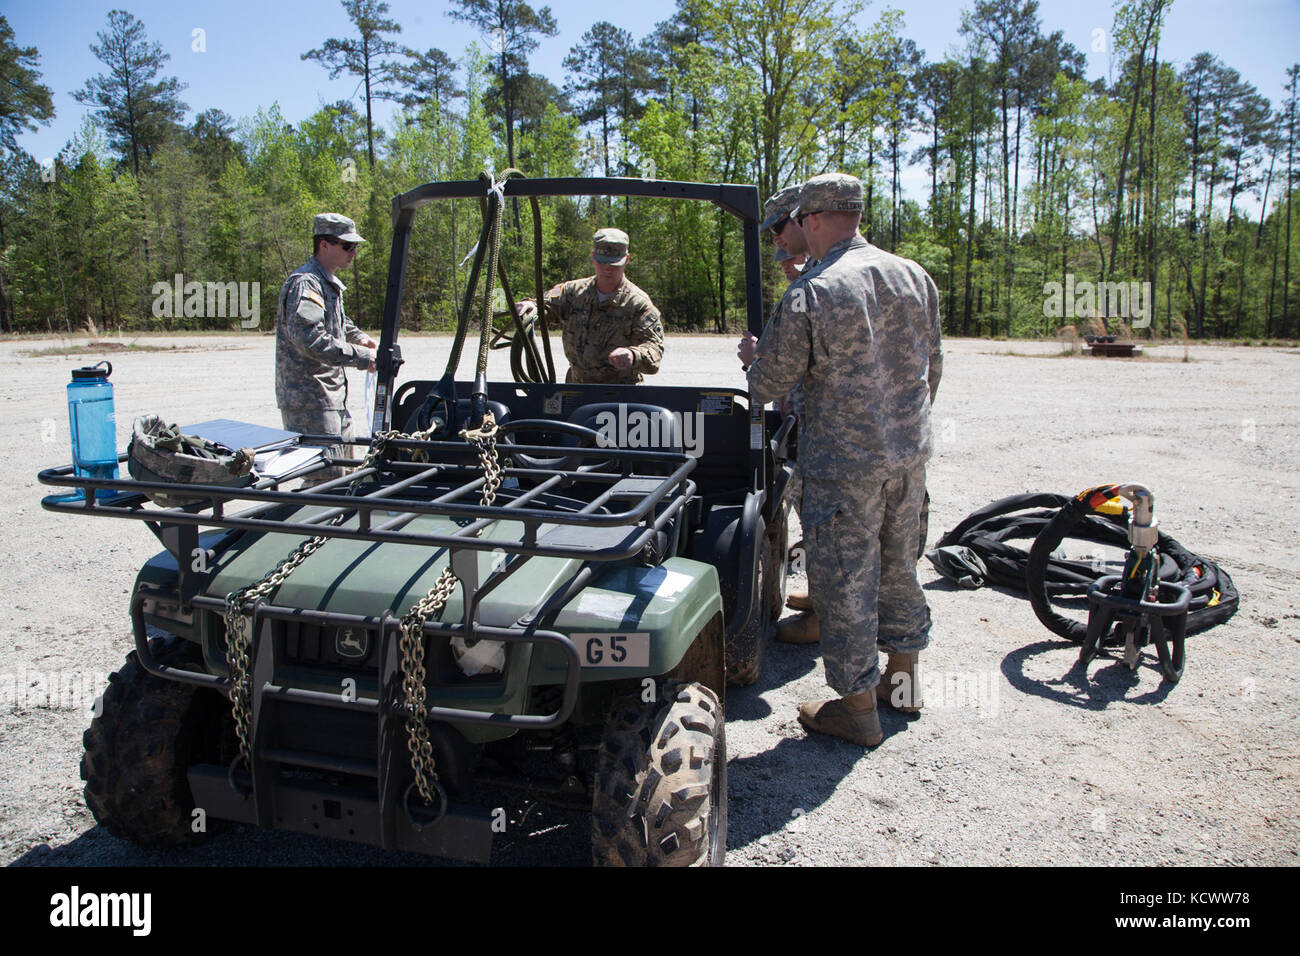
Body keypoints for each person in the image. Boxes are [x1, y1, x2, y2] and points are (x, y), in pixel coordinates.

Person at [738, 172, 943, 747]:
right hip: (907, 461)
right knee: (900, 567)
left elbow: (768, 384)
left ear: (814, 219)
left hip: (841, 470)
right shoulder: (913, 275)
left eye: (801, 219)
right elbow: (933, 372)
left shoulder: (813, 291)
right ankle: (902, 686)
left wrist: (757, 358)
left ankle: (857, 712)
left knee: (846, 584)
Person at [275, 213, 377, 485]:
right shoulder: (306, 282)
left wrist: (360, 338)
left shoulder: (325, 283)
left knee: (346, 474)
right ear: (324, 245)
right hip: (311, 400)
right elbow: (310, 338)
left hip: (331, 397)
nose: (353, 253)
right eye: (347, 246)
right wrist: (361, 357)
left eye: (355, 247)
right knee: (325, 479)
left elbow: (338, 324)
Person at [516, 228, 663, 384]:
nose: (608, 268)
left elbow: (654, 349)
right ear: (593, 258)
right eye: (602, 261)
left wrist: (633, 355)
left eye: (614, 263)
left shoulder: (638, 303)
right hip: (577, 389)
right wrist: (531, 306)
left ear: (626, 259)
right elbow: (546, 307)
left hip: (621, 393)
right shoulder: (572, 292)